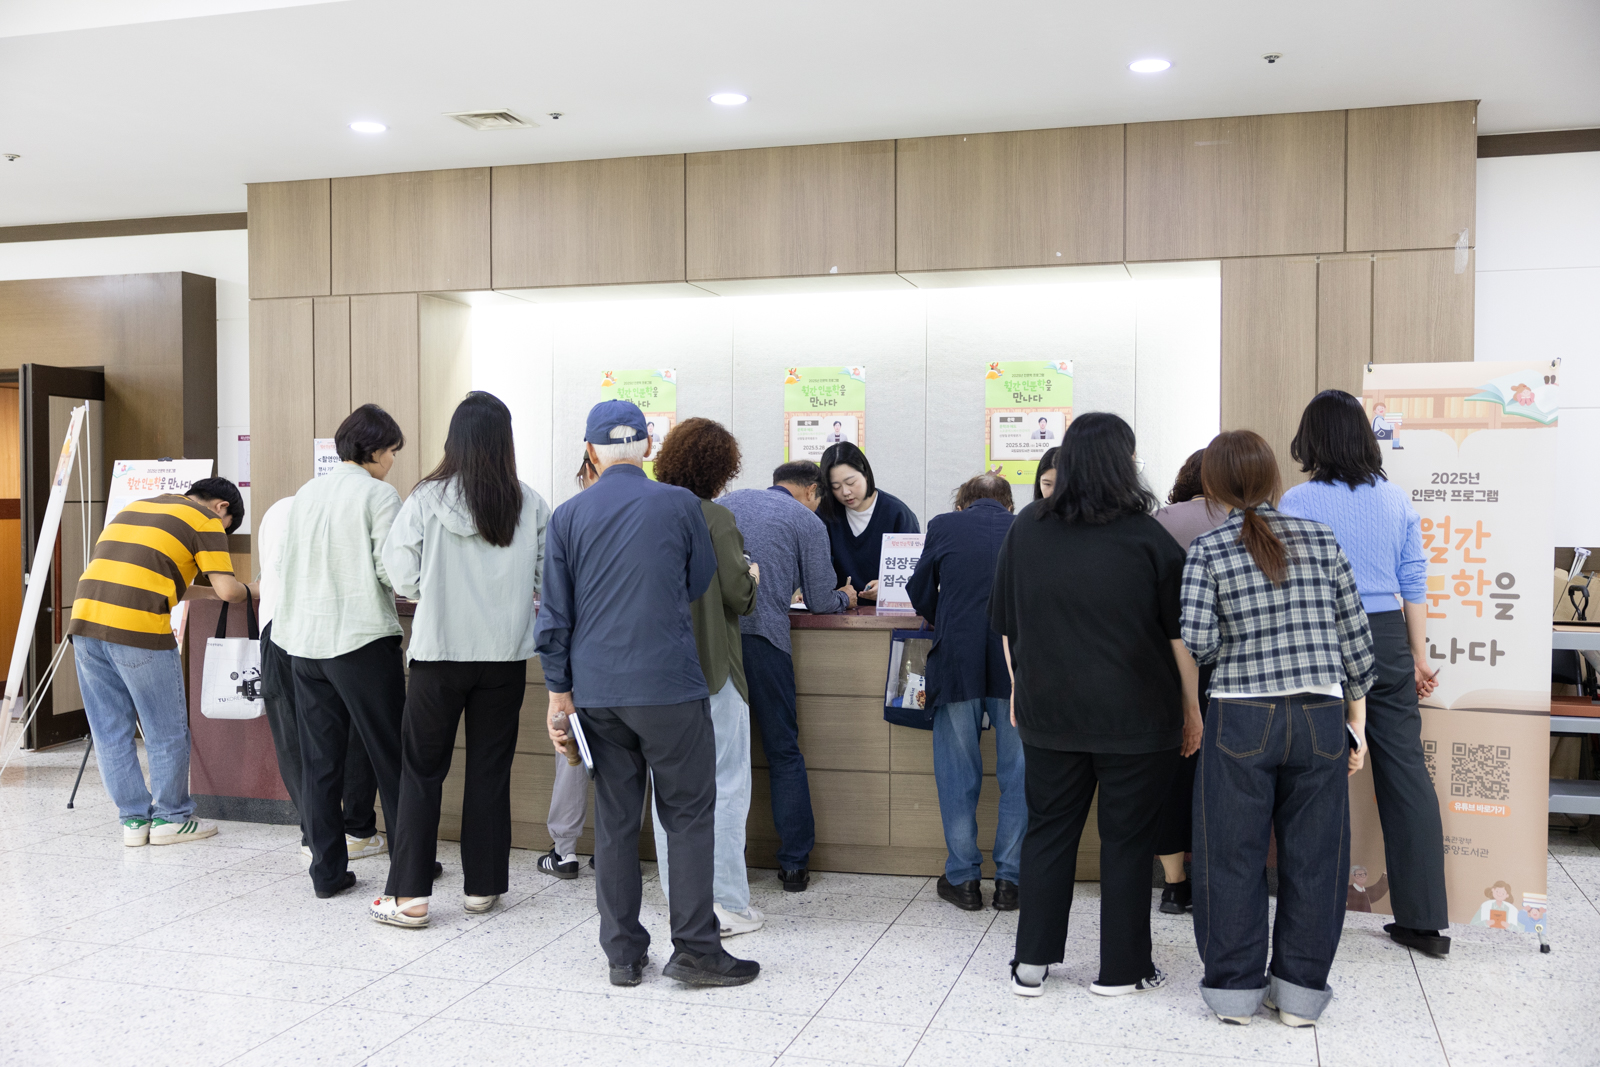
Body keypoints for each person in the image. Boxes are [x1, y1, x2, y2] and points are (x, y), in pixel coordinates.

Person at [538, 400, 759, 987]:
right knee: (686, 816)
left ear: (590, 452)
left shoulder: (567, 516)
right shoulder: (682, 505)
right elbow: (696, 582)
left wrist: (559, 696)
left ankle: (622, 953)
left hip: (599, 692)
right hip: (670, 687)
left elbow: (554, 615)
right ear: (649, 448)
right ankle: (695, 949)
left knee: (614, 821)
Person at [989, 413, 1201, 1000]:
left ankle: (1030, 964)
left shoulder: (1026, 528)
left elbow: (1008, 627)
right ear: (1122, 462)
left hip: (1048, 713)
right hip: (1136, 719)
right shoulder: (1147, 536)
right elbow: (1178, 638)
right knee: (1127, 841)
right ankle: (1120, 970)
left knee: (1048, 833)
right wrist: (1193, 709)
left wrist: (1017, 693)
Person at [1181, 429, 1374, 1028]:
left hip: (1241, 715)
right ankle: (1299, 998)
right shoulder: (1322, 540)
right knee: (1316, 860)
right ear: (1273, 480)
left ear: (1212, 485)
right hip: (1320, 715)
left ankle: (1236, 994)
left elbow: (1200, 640)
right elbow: (1358, 645)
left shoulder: (1209, 549)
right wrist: (1357, 727)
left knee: (1229, 856)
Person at [369, 392, 550, 928]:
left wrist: (436, 590)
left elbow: (399, 574)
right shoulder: (530, 503)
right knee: (490, 771)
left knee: (422, 772)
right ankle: (482, 888)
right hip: (504, 657)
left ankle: (410, 898)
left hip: (437, 655)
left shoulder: (425, 499)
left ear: (455, 440)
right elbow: (546, 579)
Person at [1281, 389, 1449, 958]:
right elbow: (1414, 581)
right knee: (1405, 769)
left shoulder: (1297, 500)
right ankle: (1425, 922)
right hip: (1386, 637)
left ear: (1313, 440)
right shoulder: (1396, 500)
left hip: (1321, 636)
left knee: (1320, 774)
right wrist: (1419, 654)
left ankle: (1317, 911)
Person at [273, 403, 408, 899]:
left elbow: (284, 565)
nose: (393, 459)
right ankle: (408, 867)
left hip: (303, 644)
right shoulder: (379, 495)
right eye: (392, 450)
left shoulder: (307, 493)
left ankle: (327, 873)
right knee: (390, 754)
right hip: (360, 641)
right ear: (375, 450)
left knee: (320, 762)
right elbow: (393, 571)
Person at [68, 478, 249, 846]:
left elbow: (173, 586)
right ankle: (171, 818)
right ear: (222, 507)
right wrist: (259, 590)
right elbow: (229, 590)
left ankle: (134, 822)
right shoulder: (206, 520)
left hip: (85, 625)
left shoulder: (134, 508)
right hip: (137, 630)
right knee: (165, 730)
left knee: (110, 731)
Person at [649, 417, 764, 936]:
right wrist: (753, 574)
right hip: (714, 673)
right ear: (722, 469)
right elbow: (737, 595)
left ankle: (683, 902)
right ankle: (727, 905)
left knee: (669, 795)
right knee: (725, 788)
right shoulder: (715, 517)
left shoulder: (645, 512)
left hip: (656, 677)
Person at [720, 461, 854, 892]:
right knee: (783, 753)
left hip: (711, 644)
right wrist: (846, 596)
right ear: (812, 492)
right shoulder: (806, 521)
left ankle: (722, 866)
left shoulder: (724, 504)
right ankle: (794, 865)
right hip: (764, 643)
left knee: (716, 757)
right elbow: (819, 601)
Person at [906, 473, 1023, 913]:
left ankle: (964, 879)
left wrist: (948, 618)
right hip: (1018, 665)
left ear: (962, 504)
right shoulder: (1027, 525)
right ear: (1008, 504)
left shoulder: (943, 525)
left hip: (957, 661)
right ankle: (1010, 880)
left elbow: (919, 591)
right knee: (1020, 773)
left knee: (958, 774)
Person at [256, 496, 385, 866]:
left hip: (276, 626)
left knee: (293, 738)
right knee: (359, 730)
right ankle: (357, 829)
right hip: (332, 627)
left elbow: (271, 572)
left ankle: (313, 834)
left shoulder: (278, 508)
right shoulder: (352, 506)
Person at [1149, 445, 1230, 914]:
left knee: (1174, 772)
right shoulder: (1246, 519)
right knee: (1227, 774)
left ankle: (1175, 884)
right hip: (1232, 662)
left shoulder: (1162, 519)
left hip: (1168, 659)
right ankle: (1217, 877)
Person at [540, 451, 600, 879]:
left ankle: (564, 851)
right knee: (626, 762)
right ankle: (613, 850)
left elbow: (555, 609)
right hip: (628, 665)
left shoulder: (569, 517)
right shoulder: (651, 511)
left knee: (571, 754)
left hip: (578, 661)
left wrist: (557, 684)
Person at [817, 442, 919, 600]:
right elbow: (814, 566)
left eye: (851, 483)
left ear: (865, 474)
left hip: (885, 614)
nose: (845, 492)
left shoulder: (897, 513)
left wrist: (887, 587)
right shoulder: (825, 515)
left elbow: (914, 573)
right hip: (837, 614)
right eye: (836, 487)